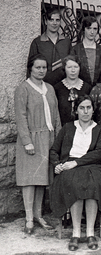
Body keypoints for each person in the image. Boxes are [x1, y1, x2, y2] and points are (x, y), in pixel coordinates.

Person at [50, 95, 101, 251]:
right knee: (74, 184)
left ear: (93, 110)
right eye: (82, 108)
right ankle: (75, 232)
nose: (85, 111)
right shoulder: (68, 128)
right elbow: (54, 150)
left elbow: (99, 152)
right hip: (69, 166)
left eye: (88, 107)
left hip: (91, 166)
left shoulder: (99, 129)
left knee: (93, 183)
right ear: (76, 110)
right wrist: (58, 165)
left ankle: (89, 232)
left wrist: (76, 163)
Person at [15, 54, 61, 234]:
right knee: (29, 179)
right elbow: (20, 117)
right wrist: (27, 142)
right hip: (32, 139)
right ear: (30, 69)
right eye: (38, 67)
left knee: (42, 178)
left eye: (44, 67)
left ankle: (38, 214)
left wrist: (57, 138)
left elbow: (55, 114)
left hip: (47, 138)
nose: (41, 71)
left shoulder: (49, 88)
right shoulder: (23, 89)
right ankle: (28, 218)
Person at [28, 8, 72, 85]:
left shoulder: (66, 42)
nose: (54, 23)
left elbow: (72, 64)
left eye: (57, 20)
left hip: (64, 86)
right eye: (51, 20)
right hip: (43, 86)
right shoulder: (37, 42)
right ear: (45, 21)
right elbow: (30, 68)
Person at [54, 55, 92, 125]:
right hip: (63, 128)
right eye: (69, 67)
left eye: (76, 67)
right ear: (64, 68)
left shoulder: (87, 88)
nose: (73, 70)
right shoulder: (57, 88)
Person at [71, 16, 101, 87]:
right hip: (80, 88)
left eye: (95, 29)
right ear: (83, 29)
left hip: (99, 89)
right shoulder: (75, 49)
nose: (92, 32)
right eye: (89, 28)